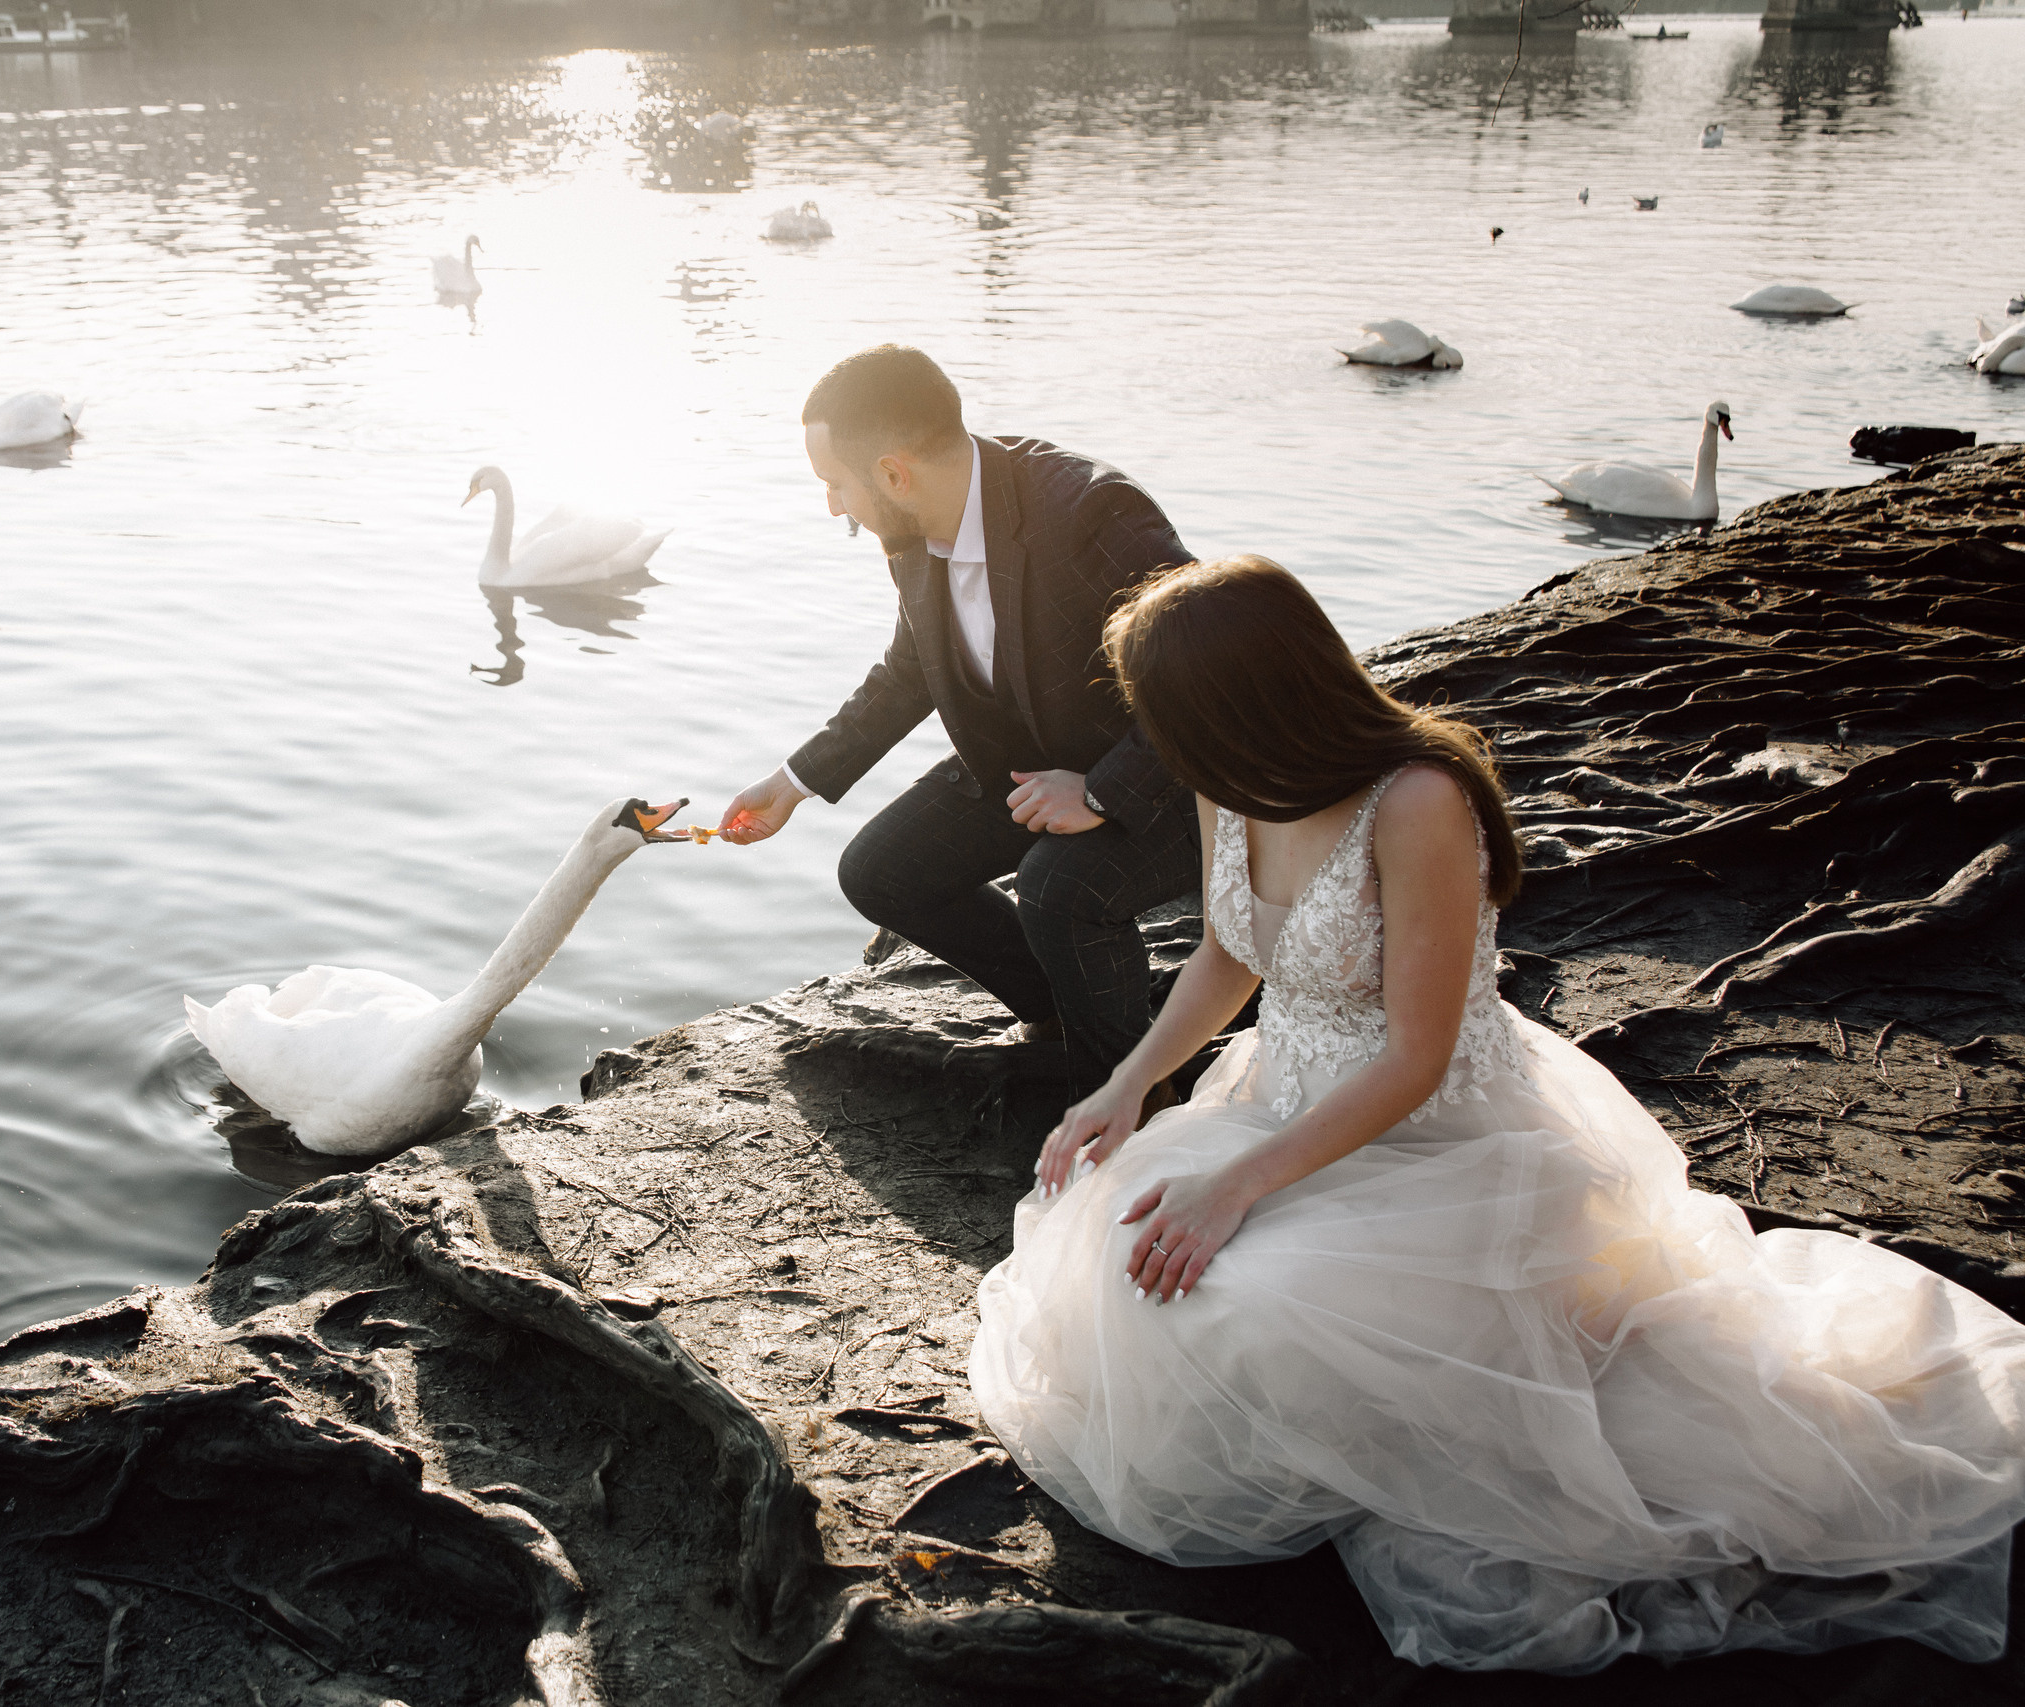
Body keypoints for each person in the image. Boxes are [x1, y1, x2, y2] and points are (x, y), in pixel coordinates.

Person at [970, 554, 2025, 1673]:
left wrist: (1236, 1184)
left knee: (1252, 1301)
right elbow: (1229, 952)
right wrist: (1130, 1081)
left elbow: (1415, 1059)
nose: (1155, 743)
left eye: (1171, 715)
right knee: (1120, 1242)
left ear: (1251, 696)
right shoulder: (1226, 779)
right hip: (1278, 1103)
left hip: (1434, 1141)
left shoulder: (1417, 800)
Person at [720, 345, 1198, 1093]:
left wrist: (1100, 793)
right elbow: (908, 671)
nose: (833, 507)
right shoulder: (912, 530)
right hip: (1033, 764)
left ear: (892, 474)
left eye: (835, 484)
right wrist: (792, 782)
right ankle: (1065, 1011)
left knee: (1055, 885)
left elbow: (1205, 675)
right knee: (881, 872)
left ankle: (1135, 1090)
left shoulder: (1092, 510)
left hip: (1171, 778)